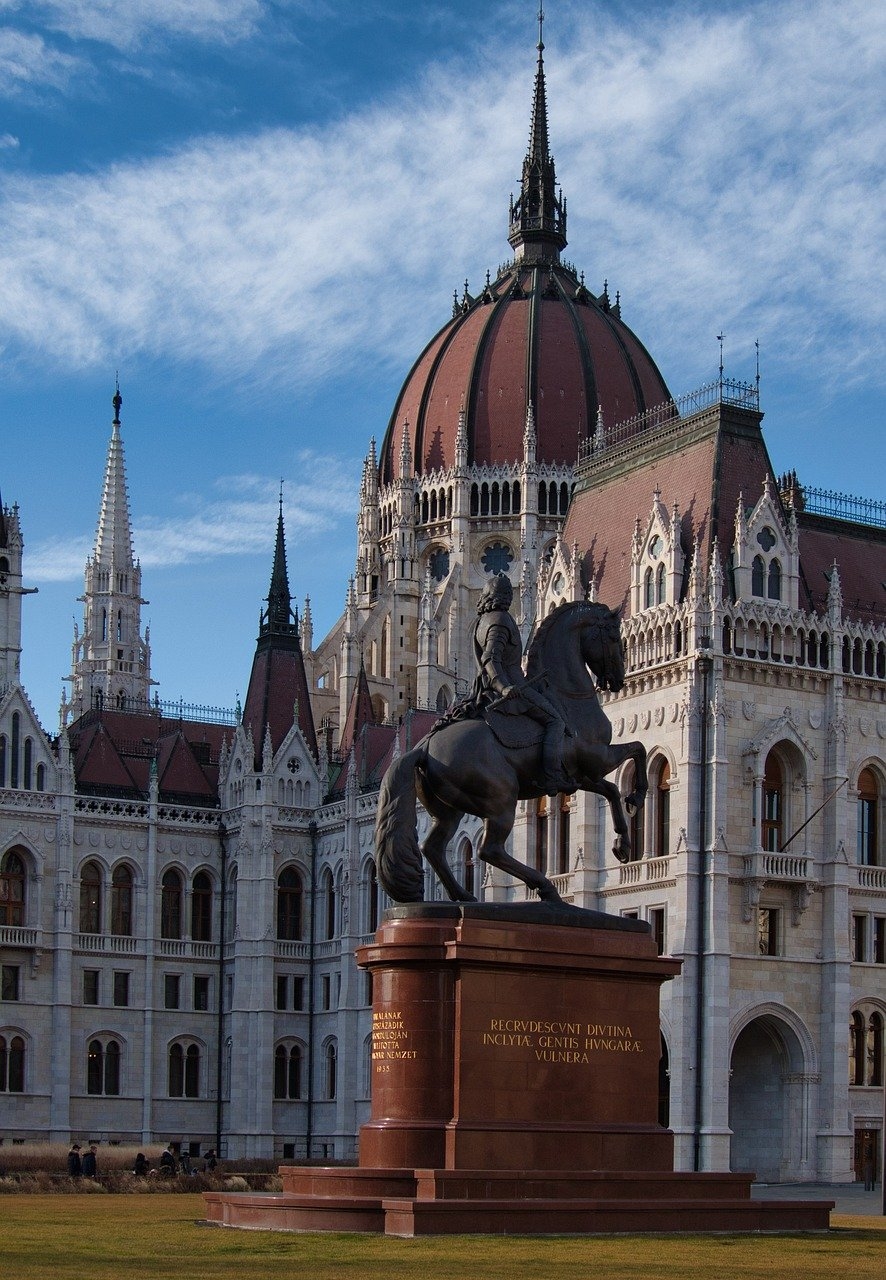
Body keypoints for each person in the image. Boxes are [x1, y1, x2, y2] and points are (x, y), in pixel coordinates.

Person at [468, 572, 573, 794]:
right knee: (555, 721)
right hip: (511, 689)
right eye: (508, 594)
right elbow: (490, 658)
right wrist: (504, 687)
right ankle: (553, 777)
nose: (509, 598)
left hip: (490, 687)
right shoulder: (500, 621)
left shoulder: (481, 621)